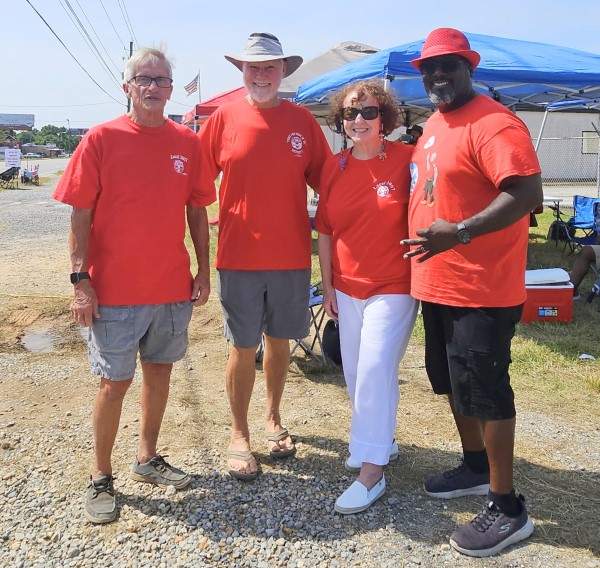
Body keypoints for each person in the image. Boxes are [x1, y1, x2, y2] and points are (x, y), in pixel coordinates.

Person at [53, 48, 213, 524]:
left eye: (162, 80)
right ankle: (100, 476)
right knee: (114, 382)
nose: (153, 87)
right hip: (114, 291)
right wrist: (81, 280)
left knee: (160, 373)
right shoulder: (101, 139)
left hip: (169, 287)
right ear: (127, 87)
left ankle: (147, 457)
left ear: (170, 87)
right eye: (144, 79)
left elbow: (198, 210)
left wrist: (204, 271)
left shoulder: (188, 141)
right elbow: (80, 213)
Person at [402, 28, 543, 557]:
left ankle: (508, 507)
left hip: (481, 287)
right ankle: (475, 466)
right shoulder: (437, 123)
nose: (438, 76)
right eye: (429, 68)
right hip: (438, 284)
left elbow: (528, 193)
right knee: (453, 384)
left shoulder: (493, 122)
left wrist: (459, 232)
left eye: (449, 66)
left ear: (468, 67)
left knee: (486, 390)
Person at [198, 33, 331, 480]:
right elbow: (195, 186)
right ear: (242, 71)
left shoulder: (302, 123)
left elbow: (329, 184)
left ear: (283, 72)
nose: (261, 75)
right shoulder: (222, 119)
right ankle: (239, 433)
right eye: (253, 67)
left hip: (291, 255)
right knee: (242, 346)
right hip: (238, 256)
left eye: (269, 67)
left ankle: (273, 417)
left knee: (279, 344)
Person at [316, 80, 417, 514]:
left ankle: (371, 472)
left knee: (375, 368)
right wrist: (328, 284)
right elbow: (325, 229)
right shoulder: (334, 167)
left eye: (369, 112)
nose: (359, 120)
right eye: (351, 114)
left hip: (393, 285)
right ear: (341, 122)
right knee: (358, 373)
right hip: (347, 286)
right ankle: (380, 441)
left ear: (385, 119)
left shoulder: (407, 160)